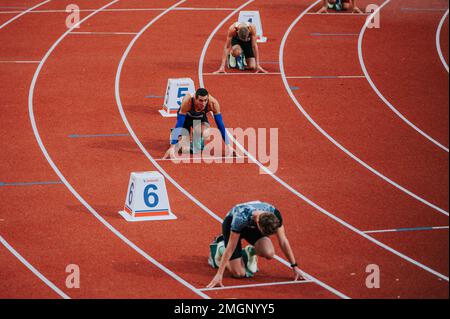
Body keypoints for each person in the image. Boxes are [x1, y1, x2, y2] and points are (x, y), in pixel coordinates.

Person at [207, 201, 305, 288]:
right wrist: (219, 274)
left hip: (252, 226)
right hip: (231, 225)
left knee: (269, 253)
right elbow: (231, 247)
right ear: (258, 224)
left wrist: (294, 267)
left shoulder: (275, 215)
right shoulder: (240, 218)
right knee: (238, 273)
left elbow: (283, 241)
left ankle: (247, 252)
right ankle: (219, 248)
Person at [163, 88, 233, 159]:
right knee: (185, 150)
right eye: (200, 100)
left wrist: (229, 146)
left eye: (205, 100)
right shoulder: (188, 101)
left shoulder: (213, 103)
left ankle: (196, 140)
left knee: (206, 134)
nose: (203, 103)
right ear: (195, 98)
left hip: (199, 119)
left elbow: (220, 125)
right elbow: (180, 122)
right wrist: (172, 146)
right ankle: (176, 136)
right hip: (186, 119)